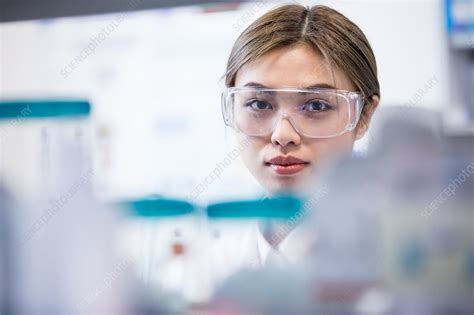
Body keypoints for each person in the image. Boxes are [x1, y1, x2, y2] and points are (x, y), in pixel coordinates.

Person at [214, 3, 381, 278]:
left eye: (316, 106)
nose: (283, 135)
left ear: (364, 116)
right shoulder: (212, 259)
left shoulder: (404, 256)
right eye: (259, 103)